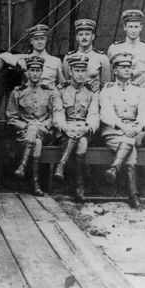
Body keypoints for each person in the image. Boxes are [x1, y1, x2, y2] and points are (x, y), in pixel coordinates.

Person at [99, 53, 145, 208]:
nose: (128, 70)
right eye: (123, 67)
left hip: (135, 130)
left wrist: (137, 125)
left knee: (129, 140)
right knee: (130, 146)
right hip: (113, 131)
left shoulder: (139, 90)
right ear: (115, 71)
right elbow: (106, 114)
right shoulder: (107, 90)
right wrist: (123, 127)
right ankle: (133, 195)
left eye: (129, 67)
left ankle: (114, 168)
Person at [52, 53, 100, 202]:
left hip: (84, 130)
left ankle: (62, 167)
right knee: (82, 142)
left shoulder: (91, 92)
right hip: (64, 131)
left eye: (83, 71)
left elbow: (94, 115)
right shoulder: (60, 90)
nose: (80, 74)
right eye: (77, 70)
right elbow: (58, 114)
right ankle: (80, 185)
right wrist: (66, 128)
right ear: (70, 72)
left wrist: (87, 128)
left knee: (83, 140)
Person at [6, 55, 55, 196]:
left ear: (42, 72)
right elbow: (11, 118)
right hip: (25, 134)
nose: (34, 73)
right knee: (36, 142)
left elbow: (54, 116)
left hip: (45, 131)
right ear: (27, 72)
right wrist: (26, 126)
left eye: (38, 70)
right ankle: (36, 184)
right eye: (32, 70)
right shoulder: (18, 92)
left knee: (36, 133)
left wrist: (43, 124)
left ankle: (22, 166)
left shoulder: (49, 92)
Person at [0, 24, 65, 88]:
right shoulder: (24, 58)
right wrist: (19, 62)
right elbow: (3, 55)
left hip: (49, 97)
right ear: (31, 41)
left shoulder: (56, 61)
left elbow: (62, 84)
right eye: (36, 39)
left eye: (42, 38)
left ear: (46, 40)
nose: (39, 42)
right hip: (29, 97)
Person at [107, 9, 145, 90]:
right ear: (124, 27)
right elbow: (111, 77)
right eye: (130, 26)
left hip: (142, 95)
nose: (133, 30)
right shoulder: (114, 48)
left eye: (136, 27)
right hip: (121, 96)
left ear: (141, 27)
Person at [62, 19, 110, 93]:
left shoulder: (102, 58)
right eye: (81, 34)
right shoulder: (68, 57)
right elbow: (66, 82)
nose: (84, 37)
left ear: (93, 36)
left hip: (94, 99)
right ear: (77, 37)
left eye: (87, 34)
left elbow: (106, 85)